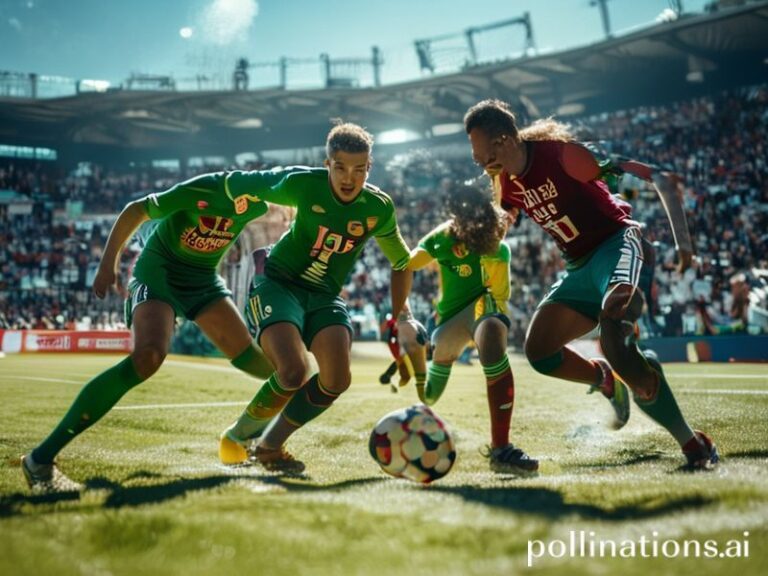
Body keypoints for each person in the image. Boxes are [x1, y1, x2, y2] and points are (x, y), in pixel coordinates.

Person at [464, 99, 718, 469]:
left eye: (478, 152)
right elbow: (499, 226)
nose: (476, 161)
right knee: (539, 350)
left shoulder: (564, 156)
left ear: (502, 140)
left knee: (614, 328)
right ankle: (605, 377)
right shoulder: (505, 183)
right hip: (579, 268)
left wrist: (684, 243)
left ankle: (694, 444)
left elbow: (659, 177)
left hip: (617, 244)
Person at [21, 165, 302, 492]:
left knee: (281, 371)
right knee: (148, 357)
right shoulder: (207, 188)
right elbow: (136, 210)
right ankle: (40, 458)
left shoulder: (256, 204)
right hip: (159, 275)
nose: (278, 212)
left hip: (202, 283)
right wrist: (107, 265)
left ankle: (249, 438)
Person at [218, 122, 418, 472]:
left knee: (337, 379)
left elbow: (402, 262)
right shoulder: (302, 184)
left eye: (359, 170)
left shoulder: (378, 208)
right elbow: (240, 182)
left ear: (369, 168)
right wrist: (198, 202)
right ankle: (237, 437)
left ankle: (269, 447)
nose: (348, 178)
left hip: (324, 296)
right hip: (278, 283)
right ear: (328, 164)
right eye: (340, 167)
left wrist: (403, 316)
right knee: (294, 370)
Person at [403, 184, 538, 474]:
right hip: (448, 320)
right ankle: (417, 361)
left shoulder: (499, 249)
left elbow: (498, 295)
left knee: (490, 330)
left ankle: (501, 448)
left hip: (483, 304)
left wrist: (493, 241)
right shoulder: (440, 238)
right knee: (429, 397)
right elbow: (408, 263)